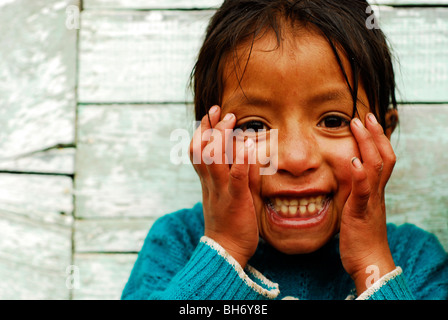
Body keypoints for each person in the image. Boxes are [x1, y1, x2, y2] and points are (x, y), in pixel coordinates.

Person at [122, 0, 448, 300]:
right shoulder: (177, 244)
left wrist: (371, 266)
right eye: (253, 127)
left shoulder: (414, 259)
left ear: (384, 136)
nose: (295, 159)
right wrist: (225, 250)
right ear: (209, 142)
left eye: (333, 121)